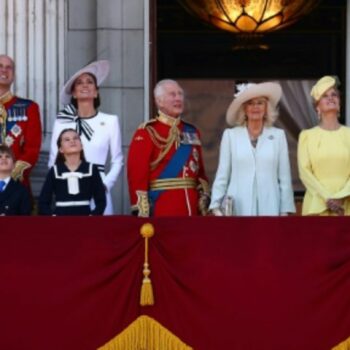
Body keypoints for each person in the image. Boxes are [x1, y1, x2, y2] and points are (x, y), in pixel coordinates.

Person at [48, 60, 123, 215]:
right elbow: (53, 159)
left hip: (99, 184)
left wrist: (105, 185)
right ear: (73, 93)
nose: (85, 85)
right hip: (68, 183)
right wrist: (59, 185)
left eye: (89, 82)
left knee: (101, 234)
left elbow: (117, 160)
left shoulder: (110, 121)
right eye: (79, 83)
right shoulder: (62, 122)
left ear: (96, 92)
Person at [209, 82, 295, 216]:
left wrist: (285, 211)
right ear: (244, 108)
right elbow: (222, 175)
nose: (255, 107)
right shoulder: (231, 135)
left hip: (270, 207)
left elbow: (284, 178)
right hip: (238, 209)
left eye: (260, 103)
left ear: (266, 107)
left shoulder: (278, 136)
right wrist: (216, 206)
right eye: (250, 103)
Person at [127, 79, 210, 217]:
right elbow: (137, 174)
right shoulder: (147, 132)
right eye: (172, 94)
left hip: (192, 207)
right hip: (163, 207)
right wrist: (140, 208)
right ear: (159, 101)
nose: (178, 98)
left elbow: (200, 172)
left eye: (180, 94)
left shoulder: (191, 131)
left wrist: (203, 198)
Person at [297, 76, 350, 216]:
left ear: (339, 102)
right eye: (325, 96)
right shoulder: (307, 136)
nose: (331, 98)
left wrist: (341, 197)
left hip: (346, 205)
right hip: (316, 205)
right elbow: (305, 172)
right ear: (317, 107)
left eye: (334, 95)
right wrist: (328, 198)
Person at [39, 128, 106, 216]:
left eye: (75, 138)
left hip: (85, 219)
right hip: (61, 220)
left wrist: (92, 216)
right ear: (61, 149)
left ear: (81, 146)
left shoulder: (92, 169)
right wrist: (53, 217)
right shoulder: (55, 170)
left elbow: (101, 201)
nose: (72, 141)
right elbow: (43, 201)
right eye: (67, 139)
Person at [0, 54, 42, 192]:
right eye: (0, 66)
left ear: (13, 75)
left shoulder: (29, 108)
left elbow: (32, 150)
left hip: (15, 187)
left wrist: (9, 176)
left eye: (8, 67)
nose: (4, 70)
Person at [0, 144, 31, 215]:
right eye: (0, 156)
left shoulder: (22, 191)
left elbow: (25, 221)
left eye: (7, 156)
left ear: (14, 165)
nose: (3, 158)